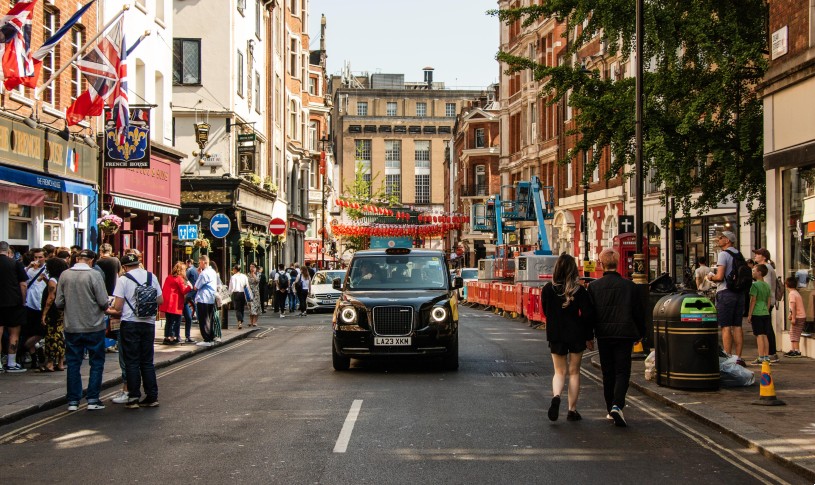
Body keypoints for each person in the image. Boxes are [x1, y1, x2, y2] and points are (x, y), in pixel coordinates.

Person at [587, 249, 645, 427]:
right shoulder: (630, 286)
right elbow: (639, 313)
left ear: (601, 263)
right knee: (622, 371)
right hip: (624, 335)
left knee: (608, 372)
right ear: (618, 263)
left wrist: (589, 336)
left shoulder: (594, 287)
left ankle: (610, 409)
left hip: (604, 335)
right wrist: (640, 334)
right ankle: (617, 405)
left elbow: (590, 314)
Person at [541, 254, 595, 422]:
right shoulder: (579, 291)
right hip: (576, 334)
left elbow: (545, 311)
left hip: (556, 334)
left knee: (559, 372)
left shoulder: (547, 289)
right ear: (573, 270)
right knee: (574, 372)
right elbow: (588, 316)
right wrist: (589, 337)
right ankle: (572, 410)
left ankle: (556, 396)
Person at [55, 249, 109, 411]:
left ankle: (73, 401)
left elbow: (58, 302)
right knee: (96, 363)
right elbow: (103, 302)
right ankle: (92, 399)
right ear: (92, 260)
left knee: (73, 363)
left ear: (77, 259)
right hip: (94, 326)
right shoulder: (94, 275)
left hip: (72, 326)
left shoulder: (65, 275)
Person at [108, 253, 163, 408]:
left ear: (124, 267)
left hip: (130, 323)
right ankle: (152, 397)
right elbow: (160, 300)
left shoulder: (123, 279)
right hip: (148, 323)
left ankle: (133, 397)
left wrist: (108, 310)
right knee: (147, 361)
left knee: (131, 361)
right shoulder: (151, 276)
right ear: (139, 263)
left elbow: (117, 306)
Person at [706, 231, 747, 366]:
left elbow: (719, 277)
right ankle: (739, 357)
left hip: (726, 292)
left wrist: (710, 277)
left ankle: (728, 357)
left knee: (725, 326)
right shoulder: (739, 254)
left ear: (728, 240)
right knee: (737, 326)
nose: (719, 239)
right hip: (739, 293)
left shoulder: (723, 254)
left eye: (722, 237)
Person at [0, 240, 29, 372]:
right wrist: (23, 300)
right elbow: (23, 284)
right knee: (14, 333)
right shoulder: (16, 264)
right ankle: (11, 363)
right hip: (14, 302)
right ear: (8, 251)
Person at [20, 248, 47, 369]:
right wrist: (27, 267)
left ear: (45, 257)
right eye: (35, 257)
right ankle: (34, 357)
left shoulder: (48, 269)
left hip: (42, 304)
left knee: (41, 332)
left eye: (40, 257)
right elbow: (20, 280)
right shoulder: (28, 270)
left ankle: (28, 348)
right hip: (30, 304)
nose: (37, 260)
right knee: (29, 332)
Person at [40, 257, 68, 372]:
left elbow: (51, 297)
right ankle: (60, 362)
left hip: (53, 312)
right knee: (60, 336)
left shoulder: (53, 279)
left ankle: (50, 363)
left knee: (51, 336)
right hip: (61, 311)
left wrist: (44, 314)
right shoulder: (62, 278)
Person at [752, 248, 779, 363]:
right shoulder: (768, 267)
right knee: (766, 327)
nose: (755, 256)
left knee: (765, 329)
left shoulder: (766, 269)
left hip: (764, 303)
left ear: (764, 256)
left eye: (757, 254)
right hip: (765, 302)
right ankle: (769, 353)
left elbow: (765, 287)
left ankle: (770, 353)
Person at [159, 262, 192, 344]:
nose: (185, 271)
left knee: (169, 321)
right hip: (175, 304)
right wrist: (189, 287)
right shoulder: (179, 278)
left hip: (167, 303)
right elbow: (183, 291)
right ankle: (172, 338)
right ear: (182, 270)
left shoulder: (168, 277)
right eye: (184, 270)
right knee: (175, 321)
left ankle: (166, 337)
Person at [747, 264, 772, 365]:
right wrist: (767, 308)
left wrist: (749, 314)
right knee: (765, 335)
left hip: (757, 312)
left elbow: (753, 300)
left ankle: (761, 356)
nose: (752, 272)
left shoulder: (754, 285)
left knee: (759, 335)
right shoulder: (767, 285)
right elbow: (769, 300)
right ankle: (766, 356)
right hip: (765, 312)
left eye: (754, 271)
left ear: (759, 273)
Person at [194, 255, 218, 346]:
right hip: (210, 299)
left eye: (200, 262)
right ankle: (210, 338)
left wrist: (199, 274)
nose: (199, 265)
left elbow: (196, 287)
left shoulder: (204, 274)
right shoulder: (212, 271)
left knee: (203, 320)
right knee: (209, 319)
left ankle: (206, 339)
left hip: (203, 298)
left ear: (204, 262)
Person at [785, 276, 805, 357]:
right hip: (799, 315)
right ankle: (793, 349)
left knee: (795, 333)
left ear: (786, 285)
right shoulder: (796, 293)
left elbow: (793, 306)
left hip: (798, 316)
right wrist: (791, 315)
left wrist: (793, 317)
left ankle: (796, 350)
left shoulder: (792, 294)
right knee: (792, 333)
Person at [228, 264, 249, 329]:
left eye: (233, 269)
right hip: (243, 293)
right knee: (241, 308)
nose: (233, 270)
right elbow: (247, 285)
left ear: (235, 269)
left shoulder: (233, 277)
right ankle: (241, 320)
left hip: (236, 294)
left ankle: (239, 322)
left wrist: (229, 294)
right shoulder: (244, 276)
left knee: (237, 309)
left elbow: (232, 287)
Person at [183, 259, 198, 343]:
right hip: (186, 297)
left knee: (188, 318)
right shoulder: (195, 270)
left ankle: (187, 336)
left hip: (187, 296)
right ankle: (174, 336)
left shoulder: (189, 271)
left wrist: (189, 286)